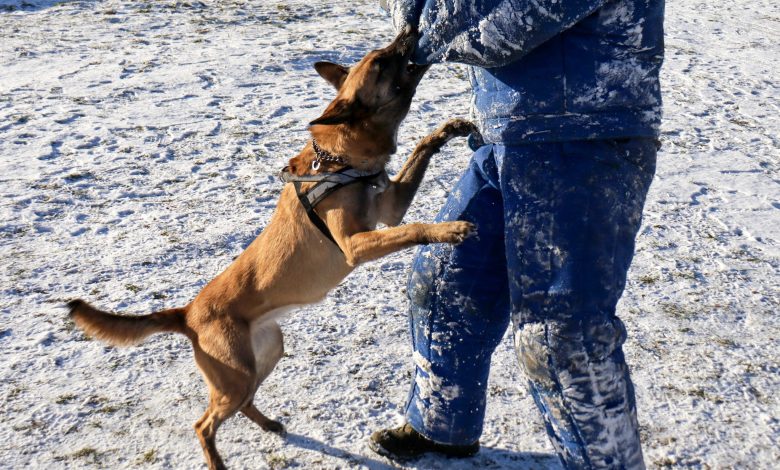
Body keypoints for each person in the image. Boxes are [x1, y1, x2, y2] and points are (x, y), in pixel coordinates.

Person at [369, 1, 665, 468]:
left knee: (561, 334)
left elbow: (506, 26)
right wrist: (415, 27)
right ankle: (441, 426)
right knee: (447, 285)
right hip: (506, 132)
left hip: (586, 135)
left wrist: (418, 32)